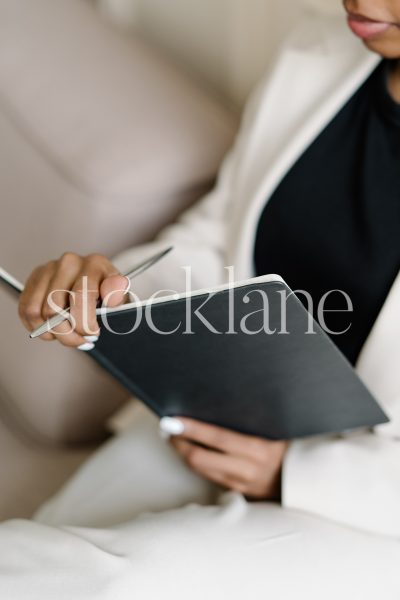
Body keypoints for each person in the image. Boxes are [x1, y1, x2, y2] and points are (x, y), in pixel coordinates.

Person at [3, 1, 399, 598]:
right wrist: (112, 296)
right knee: (39, 550)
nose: (358, 1)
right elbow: (216, 240)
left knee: (119, 580)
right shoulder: (317, 52)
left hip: (372, 515)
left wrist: (288, 472)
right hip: (228, 414)